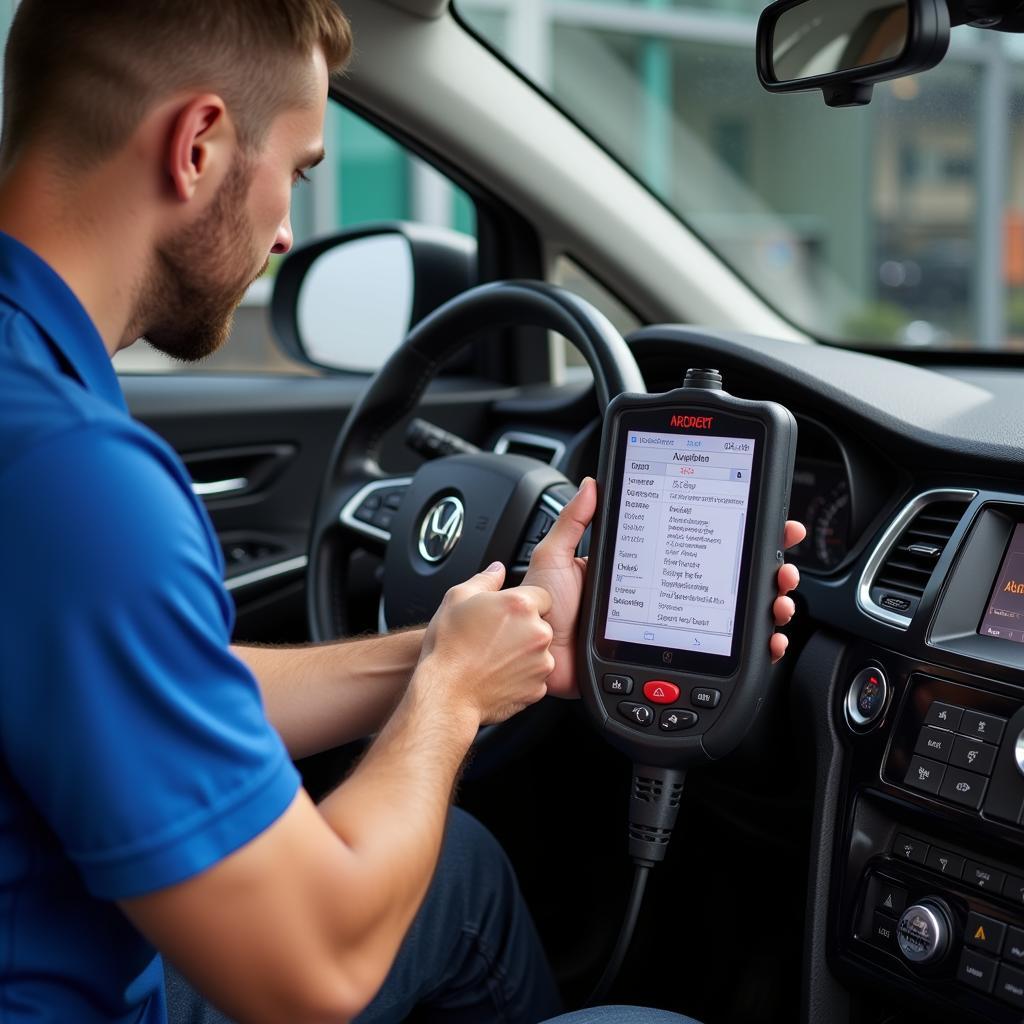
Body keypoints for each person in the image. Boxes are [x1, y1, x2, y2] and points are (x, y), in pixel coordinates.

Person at [0, 2, 805, 1022]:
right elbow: (310, 975)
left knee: (454, 871)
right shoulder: (75, 478)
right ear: (198, 144)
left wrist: (465, 644)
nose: (290, 228)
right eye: (296, 169)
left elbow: (143, 679)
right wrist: (451, 700)